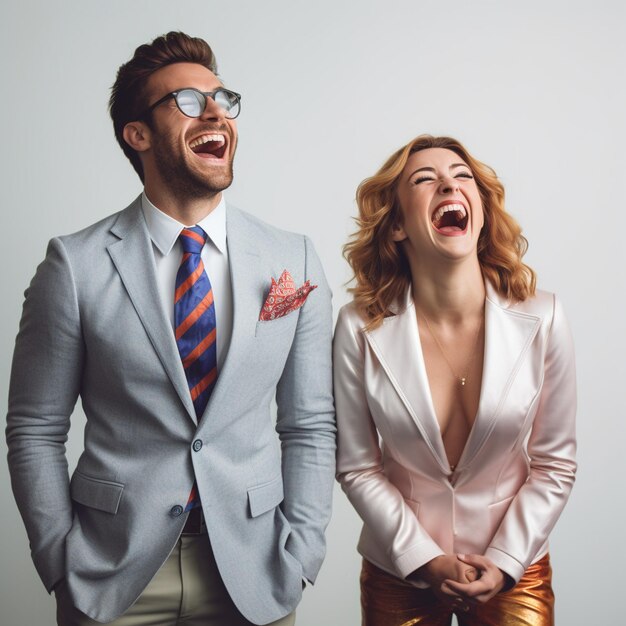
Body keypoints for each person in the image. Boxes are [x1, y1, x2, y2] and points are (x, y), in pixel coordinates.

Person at [6, 31, 335, 626]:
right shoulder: (74, 266)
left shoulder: (296, 259)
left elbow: (309, 423)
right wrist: (58, 559)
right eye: (187, 101)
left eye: (223, 100)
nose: (215, 113)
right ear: (138, 134)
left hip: (255, 571)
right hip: (113, 576)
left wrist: (304, 549)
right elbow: (34, 427)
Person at [333, 134, 576, 625]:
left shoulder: (544, 316)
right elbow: (358, 466)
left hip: (513, 565)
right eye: (425, 179)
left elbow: (555, 463)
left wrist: (507, 562)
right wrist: (425, 558)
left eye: (462, 176)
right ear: (398, 224)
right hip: (400, 567)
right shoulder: (358, 327)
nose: (449, 183)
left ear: (481, 211)